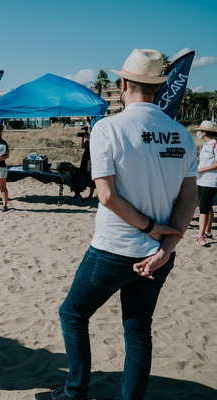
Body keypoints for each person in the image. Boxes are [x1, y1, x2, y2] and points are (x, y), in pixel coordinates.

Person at [42, 49, 197, 400]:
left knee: (73, 314)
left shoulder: (108, 128)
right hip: (158, 253)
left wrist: (149, 229)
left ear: (124, 83)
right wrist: (165, 247)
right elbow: (189, 200)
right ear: (158, 87)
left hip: (115, 248)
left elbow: (107, 196)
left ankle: (75, 391)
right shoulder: (181, 135)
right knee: (138, 330)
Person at [193, 120, 217, 247]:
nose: (198, 133)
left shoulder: (215, 144)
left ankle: (200, 236)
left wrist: (201, 169)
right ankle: (207, 231)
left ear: (205, 132)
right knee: (207, 206)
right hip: (201, 179)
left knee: (203, 208)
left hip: (211, 180)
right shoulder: (205, 145)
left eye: (199, 131)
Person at [78, 126, 95, 199]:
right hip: (85, 158)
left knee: (90, 175)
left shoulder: (95, 139)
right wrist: (82, 138)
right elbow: (82, 147)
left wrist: (90, 138)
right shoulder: (88, 141)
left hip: (91, 159)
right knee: (82, 172)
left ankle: (91, 194)